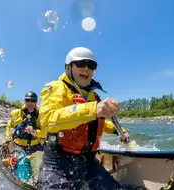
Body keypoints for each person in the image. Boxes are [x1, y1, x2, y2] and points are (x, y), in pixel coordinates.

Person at [36, 46, 130, 190]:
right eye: (80, 64)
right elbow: (48, 120)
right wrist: (93, 109)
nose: (86, 69)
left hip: (89, 164)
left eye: (91, 66)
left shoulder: (94, 96)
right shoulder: (55, 87)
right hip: (57, 165)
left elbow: (97, 124)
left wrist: (119, 131)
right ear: (69, 67)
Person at [4, 91, 45, 155]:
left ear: (36, 102)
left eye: (32, 101)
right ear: (24, 101)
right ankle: (11, 156)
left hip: (36, 145)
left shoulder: (41, 116)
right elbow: (10, 127)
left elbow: (44, 132)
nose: (30, 103)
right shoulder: (15, 113)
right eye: (27, 100)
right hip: (18, 144)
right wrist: (8, 139)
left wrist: (34, 131)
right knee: (8, 141)